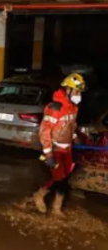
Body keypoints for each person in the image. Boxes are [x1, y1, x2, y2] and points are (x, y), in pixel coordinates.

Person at [33, 73, 86, 216]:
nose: (78, 94)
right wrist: (48, 154)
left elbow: (69, 126)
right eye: (76, 91)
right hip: (54, 148)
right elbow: (44, 131)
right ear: (67, 89)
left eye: (80, 92)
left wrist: (74, 136)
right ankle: (51, 205)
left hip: (67, 148)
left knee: (62, 177)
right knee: (60, 178)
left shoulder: (73, 107)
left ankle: (46, 199)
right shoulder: (55, 107)